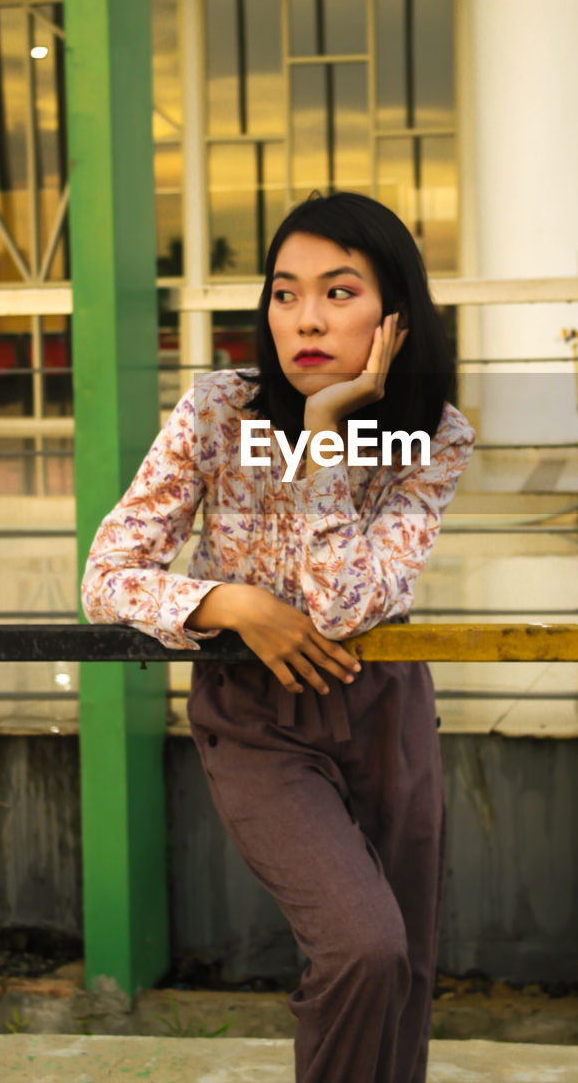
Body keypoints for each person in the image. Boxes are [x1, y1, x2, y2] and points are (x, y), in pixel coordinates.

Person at [82, 191, 476, 1083]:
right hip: (256, 719)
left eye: (339, 293)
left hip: (384, 710)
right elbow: (106, 577)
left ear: (394, 317)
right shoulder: (218, 412)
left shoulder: (435, 438)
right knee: (361, 947)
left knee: (406, 967)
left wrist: (325, 430)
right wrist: (229, 602)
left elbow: (345, 609)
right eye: (284, 291)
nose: (305, 319)